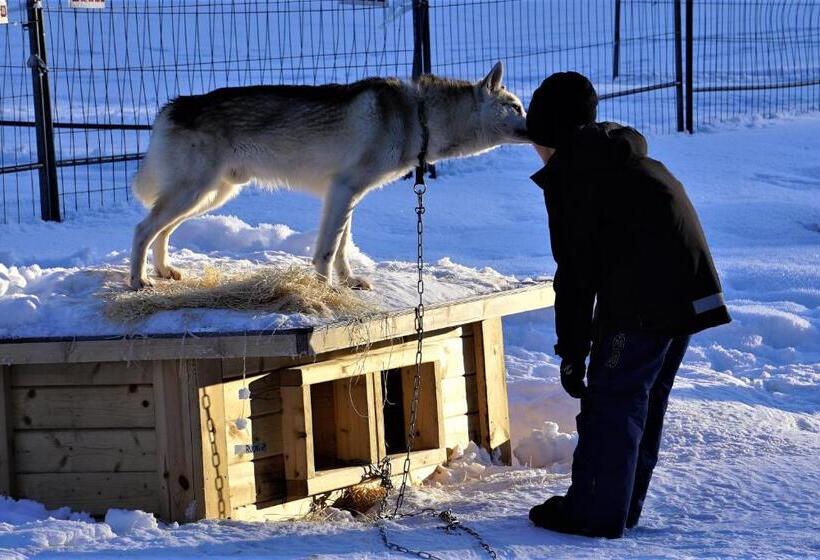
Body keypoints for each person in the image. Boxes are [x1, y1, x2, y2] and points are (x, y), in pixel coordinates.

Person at [525, 72, 731, 539]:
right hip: (686, 292)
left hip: (647, 297)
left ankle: (595, 513)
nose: (535, 152)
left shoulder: (576, 174)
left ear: (551, 135)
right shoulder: (616, 156)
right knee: (642, 400)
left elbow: (576, 275)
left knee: (612, 401)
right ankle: (619, 504)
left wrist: (572, 352)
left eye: (537, 141)